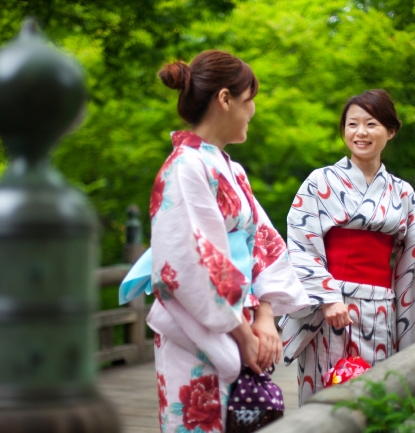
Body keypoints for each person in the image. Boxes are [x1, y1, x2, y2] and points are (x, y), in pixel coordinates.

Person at [147, 50, 309, 432]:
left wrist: (266, 317)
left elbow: (263, 244)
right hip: (200, 334)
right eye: (248, 100)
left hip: (245, 320)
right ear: (224, 99)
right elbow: (192, 263)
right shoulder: (184, 167)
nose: (252, 110)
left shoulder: (231, 169)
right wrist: (244, 333)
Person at [280, 89, 415, 406]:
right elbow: (301, 246)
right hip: (332, 311)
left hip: (382, 308)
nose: (360, 133)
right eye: (352, 124)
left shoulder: (401, 192)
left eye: (371, 124)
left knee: (381, 399)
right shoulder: (320, 182)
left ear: (391, 131)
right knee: (327, 401)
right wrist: (326, 297)